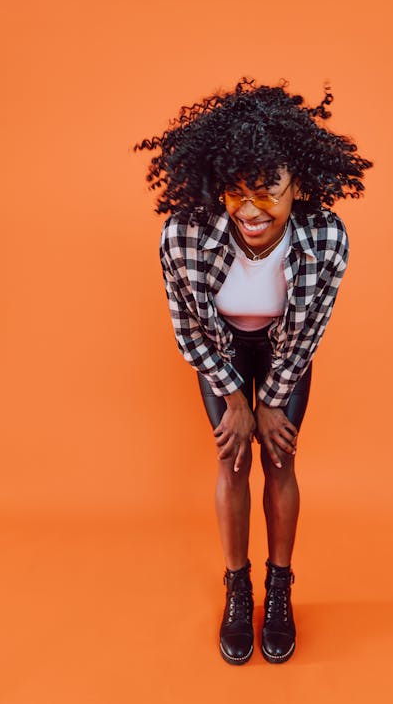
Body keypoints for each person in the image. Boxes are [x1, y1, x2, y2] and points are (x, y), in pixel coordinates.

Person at [134, 78, 373, 665]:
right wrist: (235, 398)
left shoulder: (327, 238)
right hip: (220, 349)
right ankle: (237, 588)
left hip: (284, 349)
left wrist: (272, 398)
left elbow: (310, 328)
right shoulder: (183, 234)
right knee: (232, 457)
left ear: (299, 184)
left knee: (281, 457)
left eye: (268, 191)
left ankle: (279, 587)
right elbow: (188, 327)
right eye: (236, 193)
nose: (250, 209)